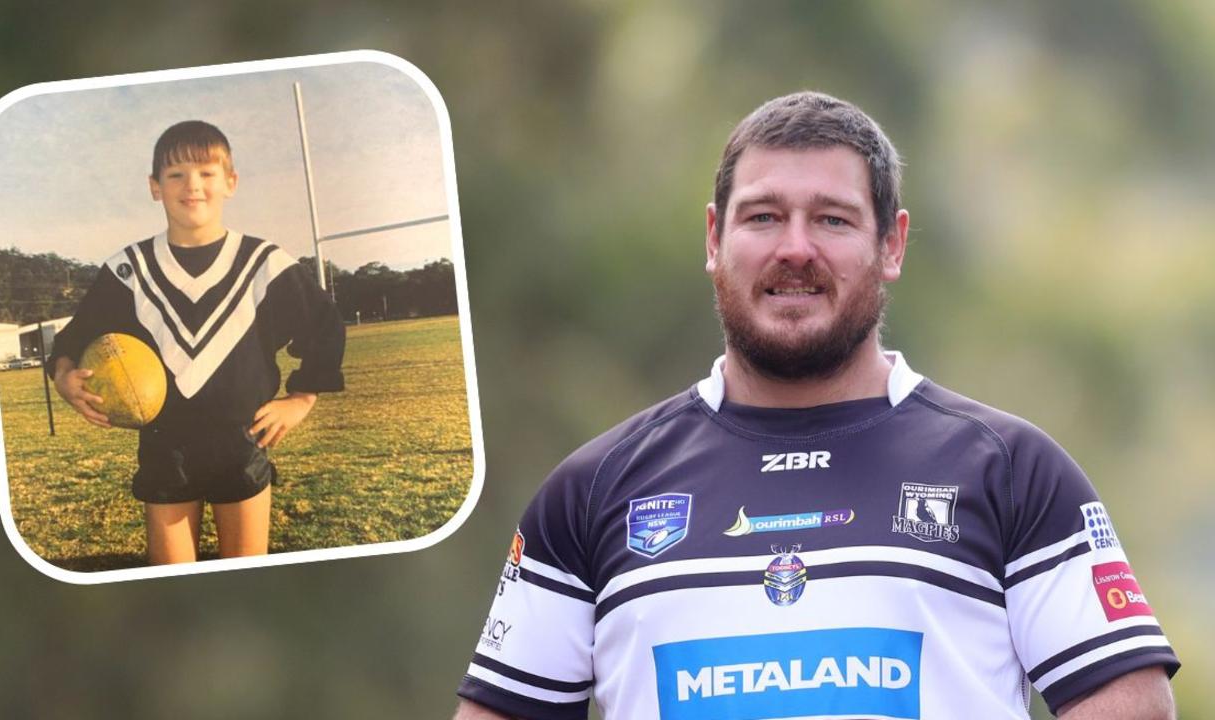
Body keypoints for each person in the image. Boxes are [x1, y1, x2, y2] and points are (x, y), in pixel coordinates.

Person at [454, 92, 1179, 719]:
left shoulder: (1011, 471)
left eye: (832, 220)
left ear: (890, 244)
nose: (795, 249)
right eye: (764, 217)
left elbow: (1132, 701)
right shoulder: (592, 490)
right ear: (714, 239)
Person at [47, 120, 345, 565]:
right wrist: (64, 379)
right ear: (155, 187)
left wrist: (300, 400)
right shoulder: (129, 270)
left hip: (244, 442)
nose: (193, 186)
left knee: (244, 576)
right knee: (172, 582)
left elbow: (324, 325)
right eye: (176, 175)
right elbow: (73, 336)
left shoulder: (263, 264)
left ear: (230, 182)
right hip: (167, 446)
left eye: (207, 173)